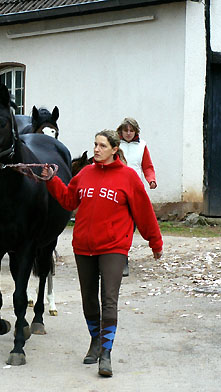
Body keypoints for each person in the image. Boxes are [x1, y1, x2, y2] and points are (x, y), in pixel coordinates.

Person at [41, 129, 163, 377]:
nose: (96, 149)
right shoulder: (85, 173)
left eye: (102, 146)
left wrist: (155, 242)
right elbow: (68, 200)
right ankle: (95, 340)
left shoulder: (128, 177)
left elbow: (144, 213)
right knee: (88, 300)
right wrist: (51, 180)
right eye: (95, 144)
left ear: (114, 150)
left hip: (114, 247)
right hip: (83, 247)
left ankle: (105, 353)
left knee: (109, 299)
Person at [116, 117, 157, 277]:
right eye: (125, 130)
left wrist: (151, 179)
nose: (128, 133)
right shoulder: (114, 144)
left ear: (136, 132)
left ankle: (123, 256)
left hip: (134, 190)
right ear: (120, 131)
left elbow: (147, 166)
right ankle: (115, 259)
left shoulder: (142, 146)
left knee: (129, 226)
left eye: (131, 130)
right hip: (117, 188)